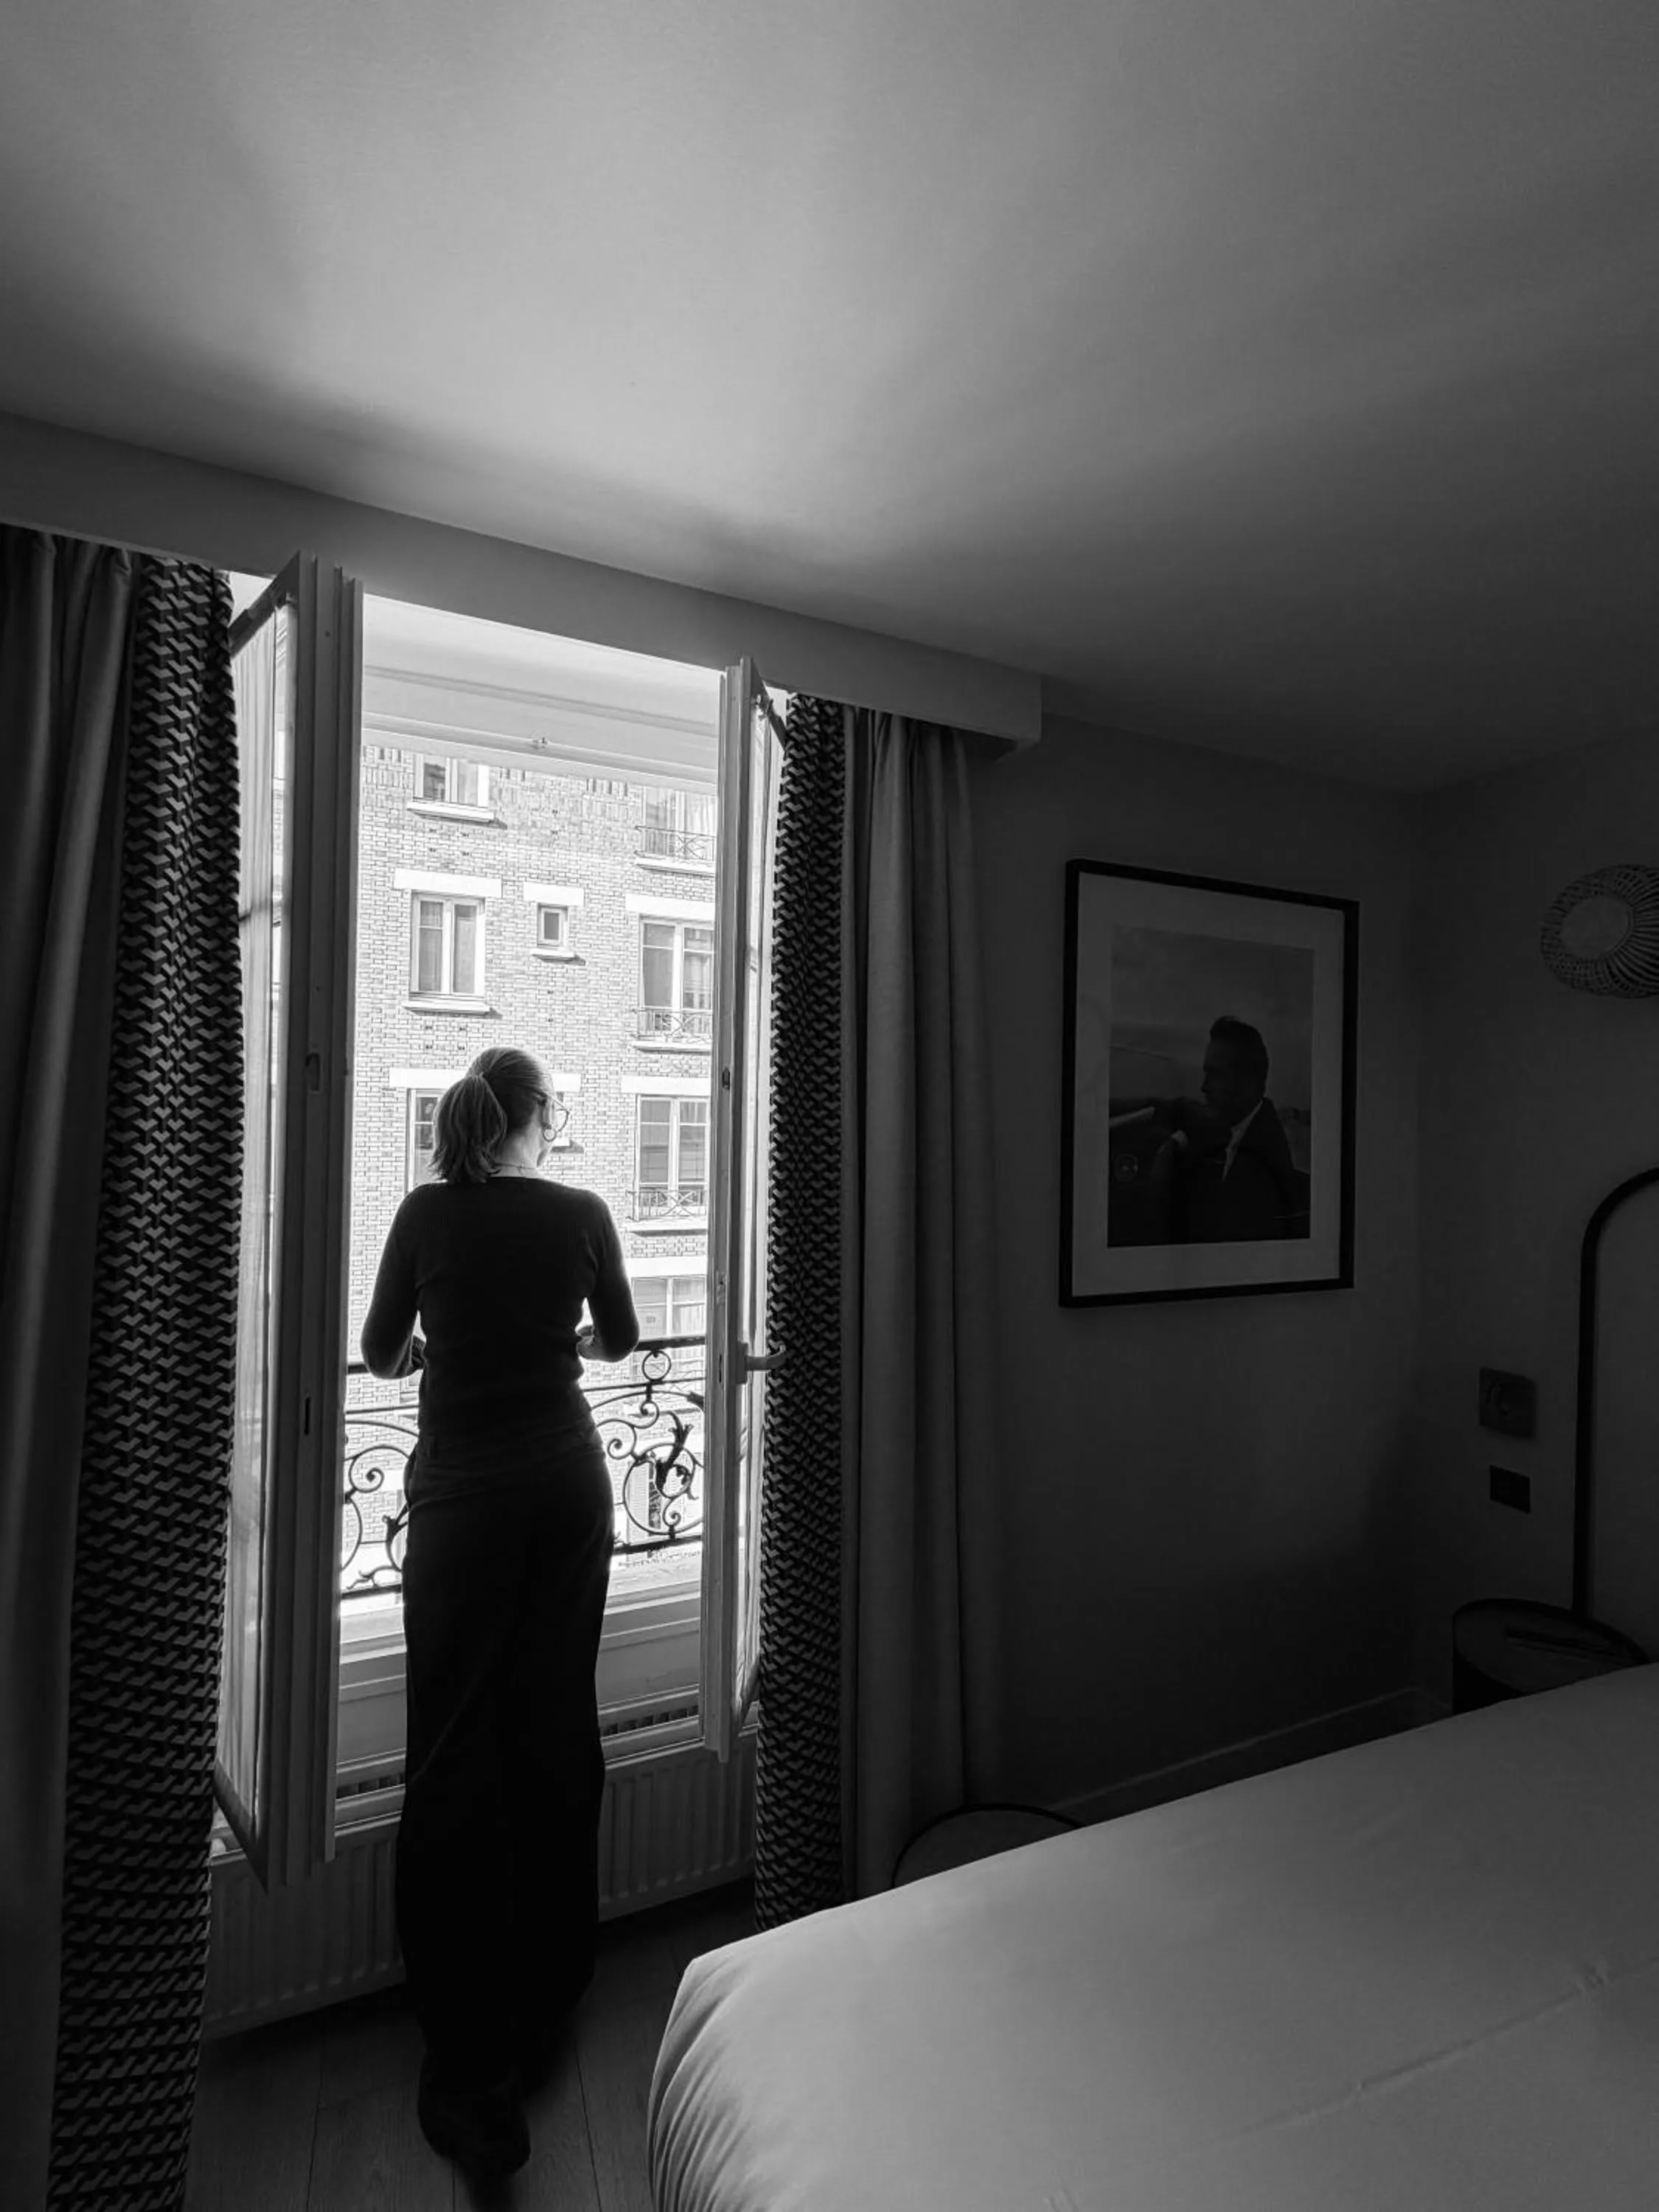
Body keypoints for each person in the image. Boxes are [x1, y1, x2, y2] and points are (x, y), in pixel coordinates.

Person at [360, 1043, 639, 2178]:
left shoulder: (426, 1213)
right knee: (552, 1728)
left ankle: (464, 2054)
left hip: (467, 1502)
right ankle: (547, 1996)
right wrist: (561, 1342)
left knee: (454, 1746)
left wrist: (438, 1343)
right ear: (541, 1120)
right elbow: (617, 1340)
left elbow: (381, 1355)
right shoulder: (582, 1210)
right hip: (567, 1489)